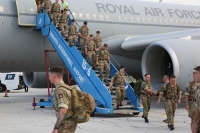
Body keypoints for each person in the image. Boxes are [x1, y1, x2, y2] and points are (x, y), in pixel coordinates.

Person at [49, 66, 77, 133]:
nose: (48, 77)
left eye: (49, 75)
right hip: (68, 123)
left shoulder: (60, 91)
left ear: (54, 76)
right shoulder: (66, 87)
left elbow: (63, 110)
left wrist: (56, 127)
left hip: (65, 124)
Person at [192, 66, 200, 133]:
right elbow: (198, 106)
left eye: (196, 73)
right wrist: (195, 122)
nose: (194, 75)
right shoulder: (198, 88)